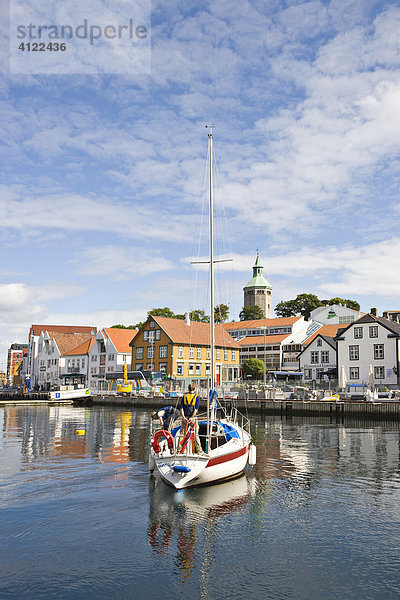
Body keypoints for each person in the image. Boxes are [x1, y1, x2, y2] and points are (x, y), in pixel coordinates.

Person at [179, 384, 203, 454]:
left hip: (185, 418)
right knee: (195, 434)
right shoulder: (196, 397)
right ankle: (199, 450)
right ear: (194, 389)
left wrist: (183, 417)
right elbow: (196, 409)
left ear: (188, 389)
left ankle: (179, 450)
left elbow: (181, 408)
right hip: (193, 418)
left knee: (182, 434)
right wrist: (192, 417)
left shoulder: (184, 397)